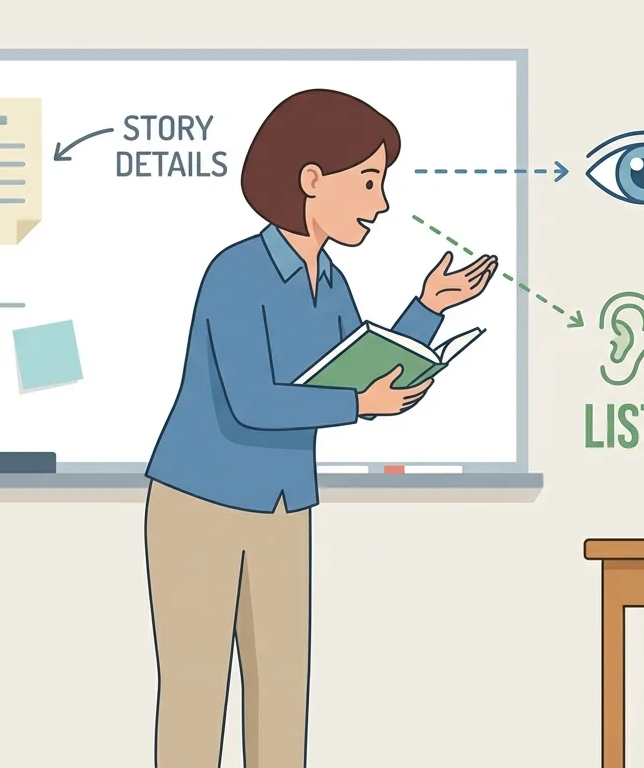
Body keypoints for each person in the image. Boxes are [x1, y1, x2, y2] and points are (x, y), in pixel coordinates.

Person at [143, 89, 497, 767]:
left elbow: (354, 367)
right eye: (368, 182)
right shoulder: (236, 273)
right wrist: (360, 404)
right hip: (199, 504)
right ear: (311, 179)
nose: (381, 203)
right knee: (196, 695)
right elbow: (254, 402)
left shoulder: (331, 282)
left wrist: (428, 309)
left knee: (282, 696)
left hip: (283, 505)